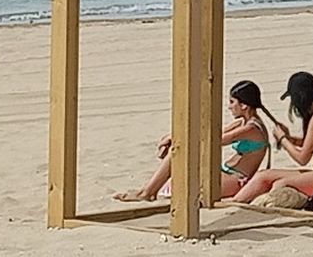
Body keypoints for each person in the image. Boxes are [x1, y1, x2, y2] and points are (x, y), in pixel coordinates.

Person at [115, 79, 269, 202]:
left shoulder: (252, 129)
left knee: (180, 169)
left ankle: (147, 193)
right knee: (177, 161)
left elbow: (214, 141)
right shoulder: (242, 123)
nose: (229, 107)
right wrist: (174, 137)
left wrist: (178, 139)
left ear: (243, 105)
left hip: (236, 180)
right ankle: (147, 191)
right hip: (226, 173)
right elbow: (208, 133)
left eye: (232, 102)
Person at [231, 71, 313, 203]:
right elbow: (311, 143)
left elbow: (302, 158)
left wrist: (283, 139)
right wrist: (290, 139)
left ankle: (245, 203)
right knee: (264, 176)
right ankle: (235, 201)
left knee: (281, 185)